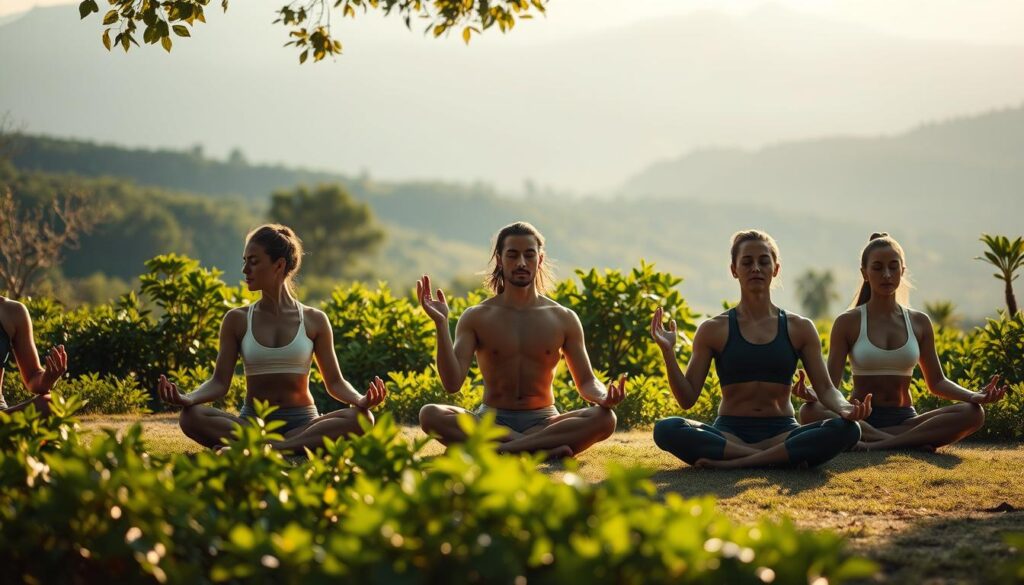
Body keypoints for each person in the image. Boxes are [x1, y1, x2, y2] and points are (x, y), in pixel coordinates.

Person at [650, 229, 869, 469]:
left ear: (776, 269)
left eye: (764, 261)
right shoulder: (713, 329)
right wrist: (668, 352)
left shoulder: (800, 328)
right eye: (747, 262)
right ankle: (776, 457)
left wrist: (844, 407)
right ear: (734, 270)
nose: (756, 268)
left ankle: (736, 461)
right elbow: (687, 398)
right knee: (666, 428)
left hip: (783, 432)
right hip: (729, 433)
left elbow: (826, 389)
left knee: (848, 429)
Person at [156, 224, 386, 452]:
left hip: (304, 424)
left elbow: (335, 383)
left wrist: (360, 399)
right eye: (244, 260)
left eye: (253, 261)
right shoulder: (236, 320)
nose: (245, 270)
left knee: (362, 417)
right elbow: (219, 383)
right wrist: (188, 398)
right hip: (253, 424)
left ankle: (267, 449)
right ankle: (283, 447)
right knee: (190, 416)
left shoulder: (315, 319)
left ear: (279, 265)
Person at [417, 221, 626, 459]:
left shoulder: (563, 318)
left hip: (545, 421)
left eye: (529, 255)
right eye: (512, 255)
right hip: (489, 421)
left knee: (605, 418)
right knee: (430, 414)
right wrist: (441, 324)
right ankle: (539, 449)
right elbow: (452, 383)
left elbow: (587, 381)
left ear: (540, 259)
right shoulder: (476, 316)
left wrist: (603, 396)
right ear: (499, 258)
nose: (521, 263)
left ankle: (501, 450)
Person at [796, 232, 1007, 450]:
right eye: (877, 268)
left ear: (902, 271)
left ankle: (873, 443)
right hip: (860, 416)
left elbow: (937, 383)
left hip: (906, 419)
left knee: (973, 413)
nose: (886, 274)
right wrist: (812, 393)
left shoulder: (919, 322)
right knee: (809, 411)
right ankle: (906, 441)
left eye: (893, 267)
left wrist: (974, 396)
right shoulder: (848, 322)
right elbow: (831, 384)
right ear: (865, 273)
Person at [0, 296, 67, 415]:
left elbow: (32, 376)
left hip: (2, 415)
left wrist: (48, 378)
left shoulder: (13, 311)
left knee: (51, 404)